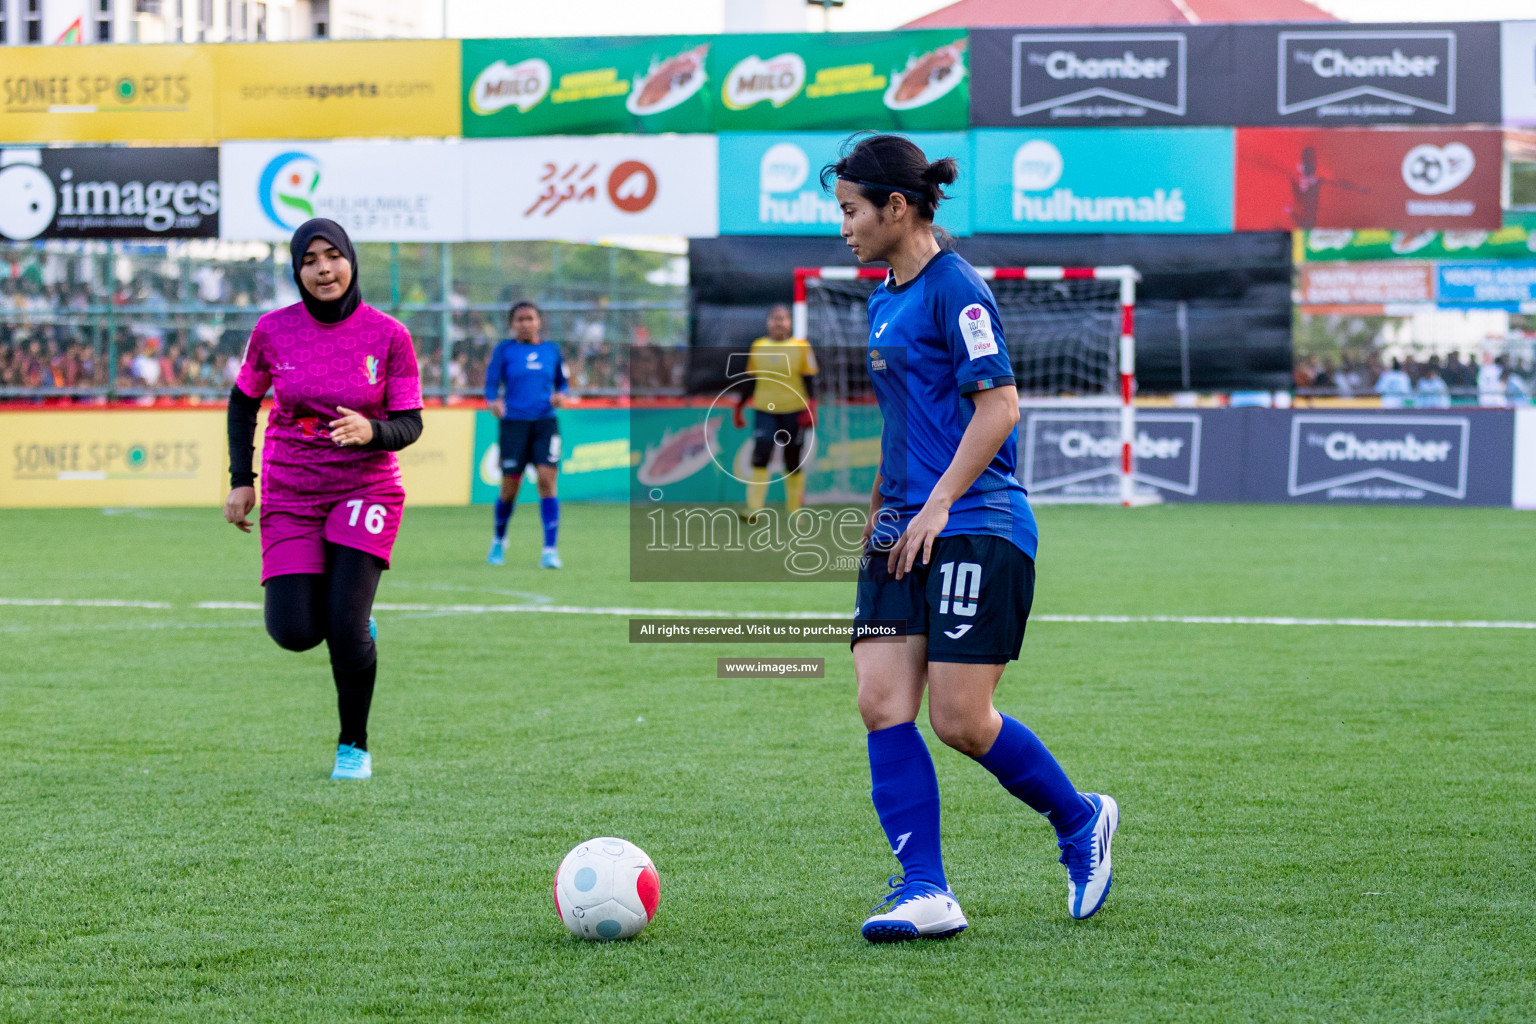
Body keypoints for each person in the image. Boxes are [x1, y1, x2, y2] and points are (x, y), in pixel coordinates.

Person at [826, 133, 1117, 943]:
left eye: (851, 211)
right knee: (881, 700)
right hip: (902, 529)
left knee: (958, 719)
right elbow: (901, 428)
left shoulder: (958, 290)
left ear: (897, 206)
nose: (843, 227)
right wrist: (884, 513)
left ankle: (1079, 819)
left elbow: (1000, 409)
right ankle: (925, 888)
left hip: (977, 524)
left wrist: (937, 504)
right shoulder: (884, 297)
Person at [223, 218, 423, 781]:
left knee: (344, 624)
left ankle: (353, 747)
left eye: (332, 256)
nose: (323, 269)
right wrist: (244, 478)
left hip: (367, 487)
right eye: (309, 260)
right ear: (297, 270)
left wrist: (373, 431)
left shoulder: (388, 335)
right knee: (293, 632)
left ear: (351, 260)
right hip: (291, 491)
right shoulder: (271, 331)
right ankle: (355, 621)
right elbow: (243, 403)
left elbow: (409, 423)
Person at [484, 300, 568, 568]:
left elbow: (562, 382)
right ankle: (499, 541)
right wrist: (493, 402)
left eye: (530, 318)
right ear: (512, 324)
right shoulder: (504, 351)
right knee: (510, 487)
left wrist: (561, 396)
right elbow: (491, 384)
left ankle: (550, 549)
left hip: (545, 423)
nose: (525, 324)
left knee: (546, 480)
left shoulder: (551, 350)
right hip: (514, 424)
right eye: (520, 319)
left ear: (539, 322)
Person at [730, 304, 818, 517]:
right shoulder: (758, 346)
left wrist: (811, 408)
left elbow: (809, 380)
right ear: (768, 322)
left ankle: (794, 511)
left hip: (794, 410)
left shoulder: (801, 346)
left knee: (792, 459)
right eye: (774, 318)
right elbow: (751, 379)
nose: (778, 323)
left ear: (790, 322)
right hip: (764, 409)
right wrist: (740, 406)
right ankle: (754, 509)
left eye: (783, 318)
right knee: (760, 455)